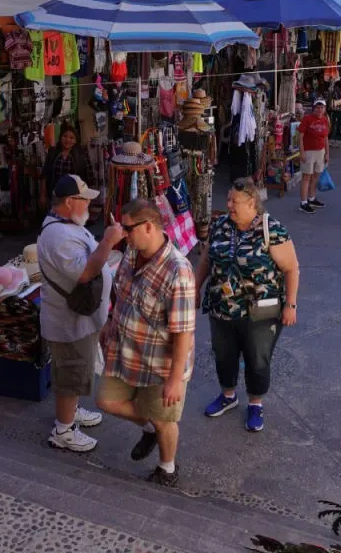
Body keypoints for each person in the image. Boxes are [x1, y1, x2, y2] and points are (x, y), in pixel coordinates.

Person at [96, 200, 196, 487]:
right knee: (106, 400)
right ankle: (150, 426)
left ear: (148, 227)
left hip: (159, 363)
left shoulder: (178, 271)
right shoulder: (131, 251)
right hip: (125, 350)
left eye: (127, 228)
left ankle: (167, 469)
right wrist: (109, 320)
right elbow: (120, 291)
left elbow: (183, 332)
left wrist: (175, 379)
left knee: (165, 420)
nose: (122, 233)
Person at [194, 178, 300, 433]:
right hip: (222, 307)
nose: (229, 205)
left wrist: (291, 305)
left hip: (260, 312)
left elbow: (291, 268)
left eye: (234, 201)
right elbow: (207, 261)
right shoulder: (220, 225)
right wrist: (196, 289)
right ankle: (228, 396)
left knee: (257, 359)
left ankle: (255, 403)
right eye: (228, 199)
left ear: (252, 203)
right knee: (223, 354)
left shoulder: (272, 229)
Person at [37, 175, 125, 452]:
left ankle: (71, 411)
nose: (90, 203)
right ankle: (63, 430)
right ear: (69, 202)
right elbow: (85, 273)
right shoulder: (57, 235)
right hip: (68, 322)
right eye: (84, 198)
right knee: (71, 373)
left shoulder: (66, 226)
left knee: (77, 369)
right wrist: (109, 241)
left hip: (78, 319)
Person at [40, 126, 95, 209]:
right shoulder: (52, 152)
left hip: (75, 198)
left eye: (71, 138)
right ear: (60, 137)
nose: (67, 140)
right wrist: (43, 195)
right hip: (55, 196)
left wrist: (88, 198)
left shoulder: (81, 154)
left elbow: (90, 177)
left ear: (76, 140)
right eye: (65, 136)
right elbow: (44, 174)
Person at [298, 98, 330, 214]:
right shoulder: (307, 119)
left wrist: (327, 153)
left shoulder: (325, 120)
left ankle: (312, 198)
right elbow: (300, 137)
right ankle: (303, 202)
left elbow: (326, 138)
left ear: (324, 109)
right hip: (309, 152)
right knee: (306, 177)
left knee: (316, 176)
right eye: (317, 107)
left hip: (320, 151)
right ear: (314, 108)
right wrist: (301, 152)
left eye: (322, 107)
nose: (319, 110)